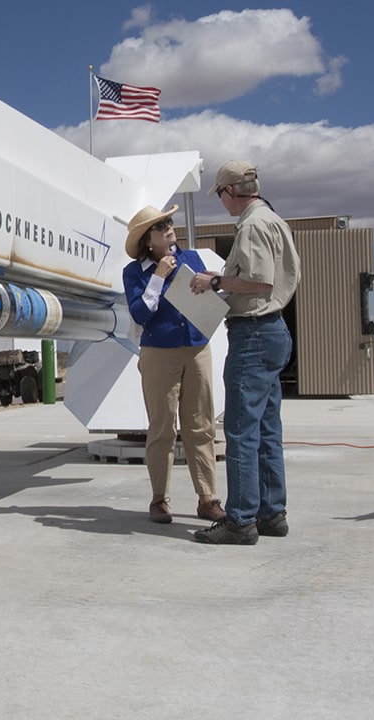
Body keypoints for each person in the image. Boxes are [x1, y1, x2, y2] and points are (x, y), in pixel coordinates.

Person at [190, 161, 301, 545]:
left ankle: (240, 520)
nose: (222, 202)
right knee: (267, 428)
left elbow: (258, 281)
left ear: (231, 191)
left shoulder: (252, 226)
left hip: (253, 335)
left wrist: (214, 281)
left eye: (220, 195)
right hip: (273, 330)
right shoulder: (274, 221)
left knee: (239, 430)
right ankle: (272, 512)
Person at [122, 205, 225, 525]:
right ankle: (159, 499)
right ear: (146, 240)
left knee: (201, 426)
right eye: (160, 226)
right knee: (162, 427)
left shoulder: (192, 258)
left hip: (196, 348)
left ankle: (207, 497)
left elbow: (207, 291)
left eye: (169, 222)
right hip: (159, 352)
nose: (169, 228)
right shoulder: (134, 272)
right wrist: (158, 276)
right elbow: (141, 314)